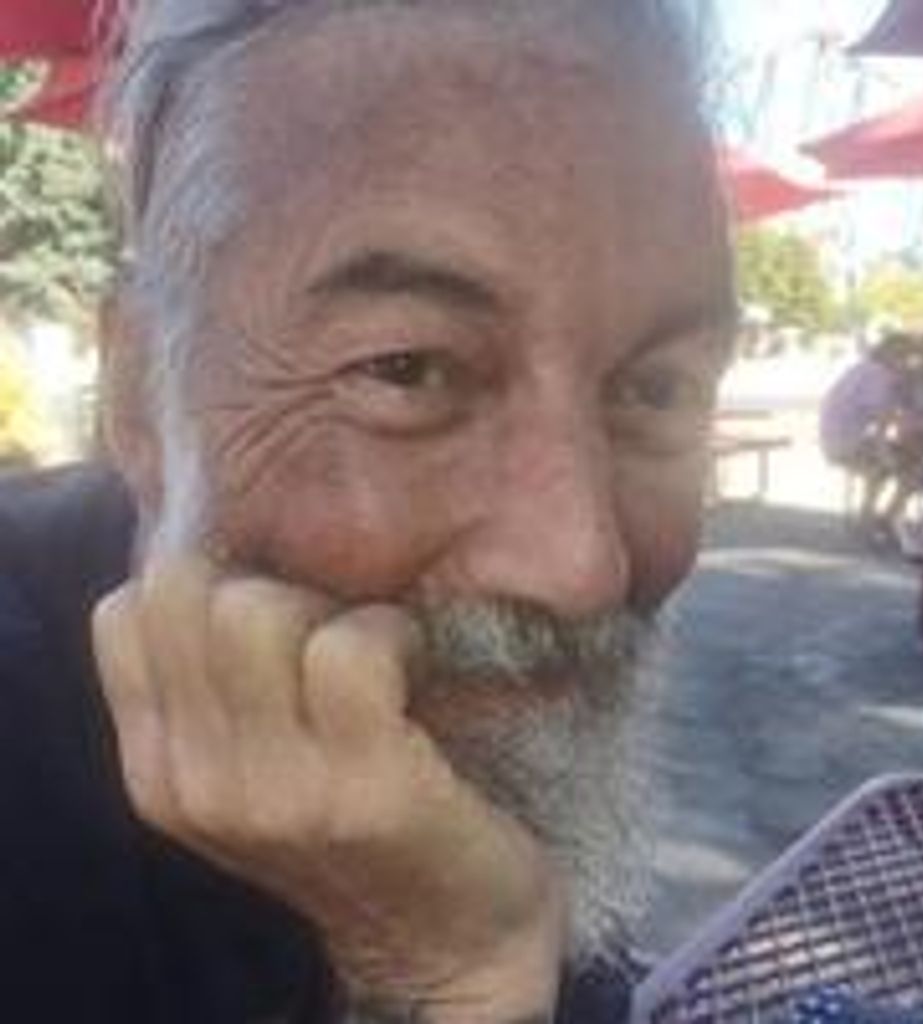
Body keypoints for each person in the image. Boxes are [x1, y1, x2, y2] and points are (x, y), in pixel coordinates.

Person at [0, 2, 735, 1022]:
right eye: (406, 369)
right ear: (139, 403)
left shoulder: (497, 737)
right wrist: (451, 982)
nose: (582, 565)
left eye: (653, 389)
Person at [819, 332, 914, 536]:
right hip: (846, 443)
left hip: (836, 439)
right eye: (904, 357)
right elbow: (881, 419)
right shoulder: (878, 375)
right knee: (910, 467)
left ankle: (873, 518)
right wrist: (886, 455)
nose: (907, 363)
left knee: (895, 460)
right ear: (892, 355)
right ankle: (880, 520)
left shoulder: (863, 368)